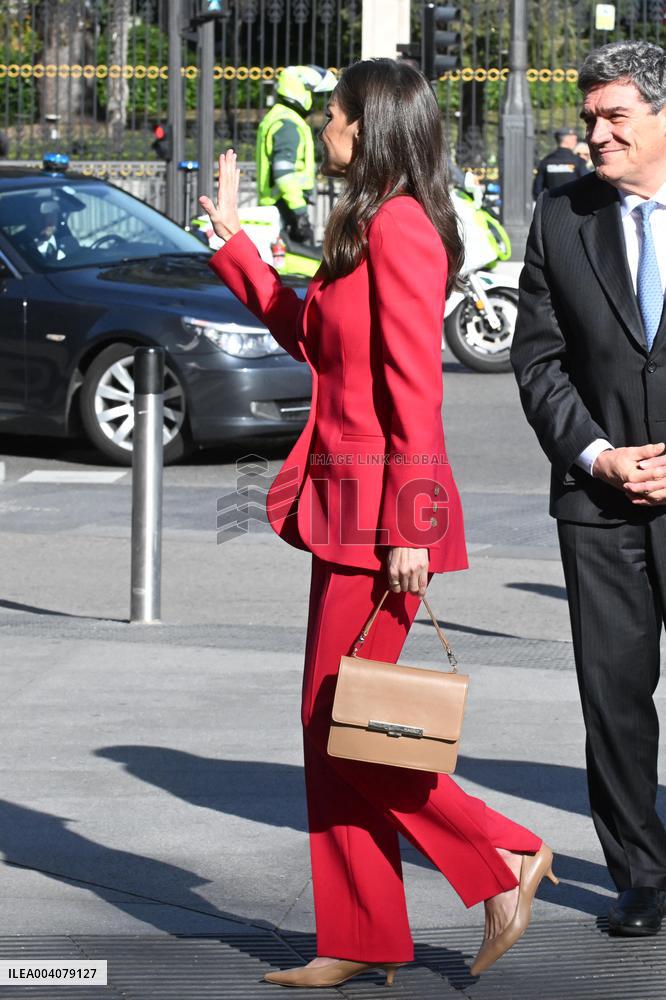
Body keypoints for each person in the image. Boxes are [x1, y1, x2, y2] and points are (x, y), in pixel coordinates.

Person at [201, 58, 555, 988]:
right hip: (343, 511)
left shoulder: (402, 228)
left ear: (371, 126)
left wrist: (414, 527)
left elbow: (416, 389)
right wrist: (237, 247)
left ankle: (504, 849)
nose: (323, 129)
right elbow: (312, 338)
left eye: (334, 116)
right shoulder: (364, 223)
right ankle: (360, 934)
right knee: (334, 722)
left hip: (384, 518)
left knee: (345, 725)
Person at [512, 40, 666, 937]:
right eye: (590, 117)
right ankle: (641, 877)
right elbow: (539, 362)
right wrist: (599, 455)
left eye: (616, 117)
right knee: (613, 701)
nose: (596, 134)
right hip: (598, 503)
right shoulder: (560, 215)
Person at [256, 64, 336, 245]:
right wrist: (300, 213)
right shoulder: (288, 124)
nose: (311, 99)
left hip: (279, 205)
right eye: (309, 92)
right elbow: (283, 173)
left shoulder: (277, 116)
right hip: (285, 208)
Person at [532, 127, 589, 198]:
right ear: (567, 140)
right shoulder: (578, 161)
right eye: (574, 139)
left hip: (552, 203)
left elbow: (537, 190)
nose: (576, 142)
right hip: (574, 203)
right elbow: (589, 184)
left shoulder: (546, 161)